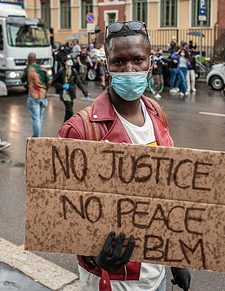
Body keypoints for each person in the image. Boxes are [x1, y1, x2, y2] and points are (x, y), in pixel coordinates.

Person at [57, 20, 190, 291]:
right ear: (106, 65)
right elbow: (63, 211)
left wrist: (177, 258)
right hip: (112, 283)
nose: (129, 70)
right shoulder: (80, 130)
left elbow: (166, 195)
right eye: (119, 62)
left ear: (150, 62)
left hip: (157, 277)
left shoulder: (157, 114)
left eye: (138, 60)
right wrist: (94, 255)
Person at [20, 52, 51, 137]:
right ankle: (37, 135)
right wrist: (46, 90)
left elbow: (22, 80)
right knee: (40, 118)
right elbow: (48, 82)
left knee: (35, 118)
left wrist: (26, 66)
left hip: (33, 97)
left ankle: (36, 137)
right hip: (43, 96)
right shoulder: (43, 69)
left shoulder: (27, 69)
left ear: (28, 60)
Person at [52, 55, 89, 122]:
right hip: (64, 93)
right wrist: (62, 86)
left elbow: (78, 83)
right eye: (68, 60)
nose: (70, 62)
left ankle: (66, 125)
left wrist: (85, 93)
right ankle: (66, 125)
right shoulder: (61, 71)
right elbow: (54, 82)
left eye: (70, 60)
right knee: (70, 110)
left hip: (71, 93)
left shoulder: (73, 71)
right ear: (64, 62)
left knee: (69, 111)